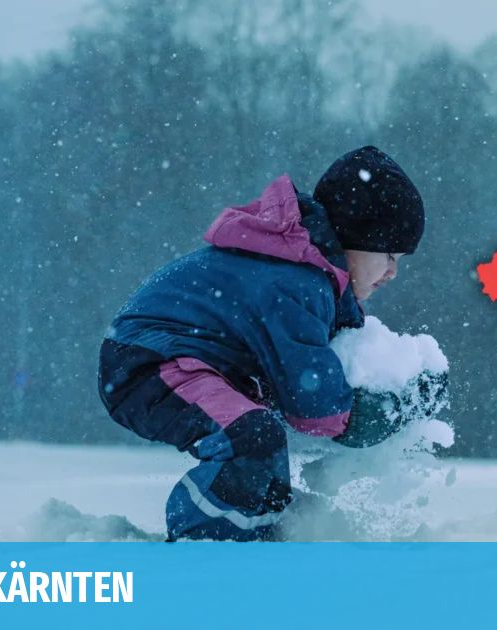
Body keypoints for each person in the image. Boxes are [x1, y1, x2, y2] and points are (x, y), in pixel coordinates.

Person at [97, 146, 424, 541]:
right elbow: (314, 408)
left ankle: (256, 532)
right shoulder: (296, 283)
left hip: (188, 359)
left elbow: (330, 367)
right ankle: (203, 548)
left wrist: (403, 385)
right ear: (353, 237)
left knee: (262, 453)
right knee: (250, 438)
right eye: (388, 253)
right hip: (151, 360)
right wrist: (379, 414)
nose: (392, 272)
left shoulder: (315, 282)